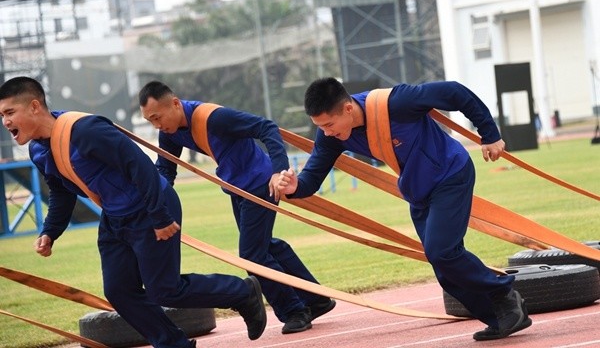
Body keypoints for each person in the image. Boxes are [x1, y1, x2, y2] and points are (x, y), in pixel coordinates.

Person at [0, 76, 267, 348]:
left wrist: (159, 216)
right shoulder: (38, 150)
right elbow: (61, 192)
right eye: (2, 115)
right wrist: (50, 231)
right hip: (115, 218)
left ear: (34, 107)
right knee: (119, 291)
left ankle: (242, 292)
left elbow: (139, 166)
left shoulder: (85, 130)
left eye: (10, 112)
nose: (5, 122)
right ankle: (174, 344)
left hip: (150, 208)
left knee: (165, 290)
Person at [276, 77, 533, 341]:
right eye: (320, 127)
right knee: (443, 269)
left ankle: (504, 294)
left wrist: (489, 134)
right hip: (417, 189)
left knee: (441, 251)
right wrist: (295, 187)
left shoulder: (398, 103)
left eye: (329, 124)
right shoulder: (331, 136)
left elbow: (454, 92)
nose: (326, 133)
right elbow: (311, 179)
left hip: (450, 174)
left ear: (348, 109)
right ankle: (502, 317)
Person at [138, 81, 336, 335]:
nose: (156, 125)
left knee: (252, 254)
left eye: (157, 117)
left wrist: (278, 171)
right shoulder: (169, 132)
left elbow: (266, 127)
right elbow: (166, 169)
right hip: (237, 188)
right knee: (266, 246)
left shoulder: (215, 118)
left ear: (175, 104)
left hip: (261, 184)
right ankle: (316, 298)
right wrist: (153, 202)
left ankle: (295, 310)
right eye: (150, 121)